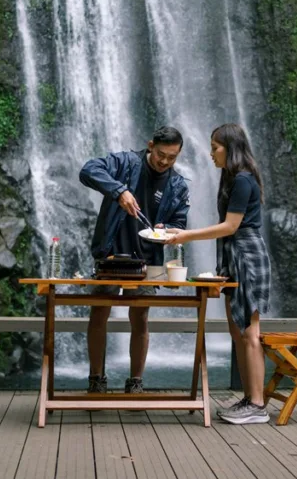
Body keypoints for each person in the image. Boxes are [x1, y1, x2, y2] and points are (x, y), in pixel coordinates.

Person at [165, 123, 271, 424]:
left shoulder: (243, 181)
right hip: (234, 257)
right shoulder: (234, 179)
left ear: (231, 148)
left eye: (215, 147)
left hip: (247, 258)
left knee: (250, 333)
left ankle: (258, 405)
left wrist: (184, 236)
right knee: (237, 332)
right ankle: (250, 399)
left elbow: (230, 227)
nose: (211, 153)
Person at [79, 126, 190, 394]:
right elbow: (88, 170)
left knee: (140, 316)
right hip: (111, 253)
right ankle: (96, 379)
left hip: (148, 259)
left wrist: (167, 230)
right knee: (99, 312)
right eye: (161, 154)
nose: (165, 162)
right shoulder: (126, 163)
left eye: (172, 157)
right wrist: (119, 191)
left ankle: (136, 382)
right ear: (150, 145)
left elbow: (179, 223)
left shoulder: (178, 185)